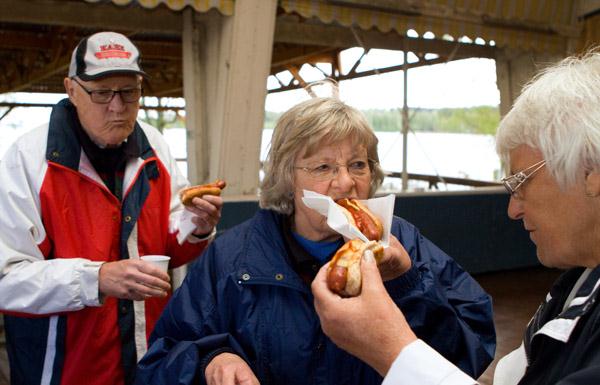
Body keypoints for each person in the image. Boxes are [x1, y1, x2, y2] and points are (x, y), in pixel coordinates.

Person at [136, 93, 496, 385]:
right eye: (323, 168)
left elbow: (471, 353)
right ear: (286, 177)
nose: (344, 183)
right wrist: (211, 361)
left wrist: (407, 283)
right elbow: (159, 361)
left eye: (358, 165)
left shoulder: (403, 244)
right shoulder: (232, 257)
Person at [312, 50, 600, 385]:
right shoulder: (579, 280)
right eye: (321, 167)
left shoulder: (404, 239)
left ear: (591, 172)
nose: (512, 209)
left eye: (520, 182)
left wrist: (393, 351)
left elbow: (473, 346)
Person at [0, 31, 223, 385]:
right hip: (64, 371)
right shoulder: (26, 160)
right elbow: (7, 280)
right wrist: (96, 279)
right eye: (102, 92)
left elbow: (169, 242)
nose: (117, 107)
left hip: (149, 361)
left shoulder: (155, 146)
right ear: (72, 90)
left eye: (129, 92)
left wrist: (196, 226)